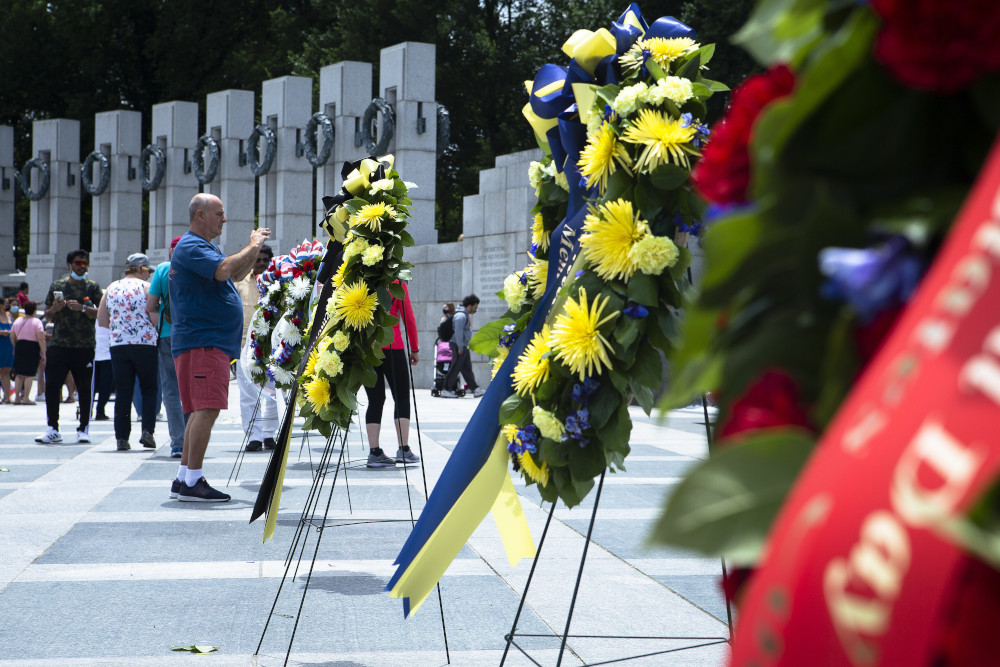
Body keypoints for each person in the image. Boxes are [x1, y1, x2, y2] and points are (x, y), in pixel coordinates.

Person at [169, 193, 270, 502]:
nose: (224, 219)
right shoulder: (192, 246)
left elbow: (236, 272)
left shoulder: (203, 247)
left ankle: (184, 477)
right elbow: (225, 270)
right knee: (207, 409)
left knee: (199, 411)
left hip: (203, 342)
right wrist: (254, 244)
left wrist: (252, 250)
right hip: (204, 342)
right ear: (201, 215)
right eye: (219, 213)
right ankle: (193, 482)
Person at [36, 249, 102, 444]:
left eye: (84, 264)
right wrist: (55, 309)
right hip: (59, 344)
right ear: (69, 265)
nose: (81, 267)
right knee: (53, 385)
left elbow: (100, 314)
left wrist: (82, 308)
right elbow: (47, 315)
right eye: (77, 263)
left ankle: (83, 429)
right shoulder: (58, 285)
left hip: (84, 345)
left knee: (84, 387)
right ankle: (52, 428)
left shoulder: (92, 287)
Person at [98, 253, 159, 451]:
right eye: (148, 271)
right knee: (149, 388)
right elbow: (154, 317)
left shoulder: (111, 287)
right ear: (140, 268)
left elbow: (102, 320)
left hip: (119, 345)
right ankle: (147, 431)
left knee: (123, 392)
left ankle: (122, 438)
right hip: (145, 344)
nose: (149, 275)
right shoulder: (147, 288)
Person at [363, 280, 420, 468]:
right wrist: (414, 348)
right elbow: (408, 317)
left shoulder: (361, 279)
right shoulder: (396, 282)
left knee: (375, 400)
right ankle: (403, 449)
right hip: (392, 345)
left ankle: (374, 452)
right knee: (402, 396)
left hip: (367, 349)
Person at [146, 236, 187, 458]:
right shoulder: (198, 267)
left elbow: (151, 305)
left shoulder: (163, 269)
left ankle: (178, 443)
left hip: (168, 336)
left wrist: (159, 323)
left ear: (171, 252)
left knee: (171, 390)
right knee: (193, 390)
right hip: (194, 337)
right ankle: (192, 440)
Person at [236, 244, 278, 452]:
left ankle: (269, 434)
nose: (262, 263)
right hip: (245, 346)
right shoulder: (239, 283)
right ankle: (253, 436)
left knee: (271, 394)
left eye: (265, 260)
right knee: (248, 394)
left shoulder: (279, 282)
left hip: (273, 348)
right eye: (258, 260)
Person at [441, 294, 485, 398]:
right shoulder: (461, 316)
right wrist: (460, 347)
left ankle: (475, 389)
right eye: (475, 307)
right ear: (470, 305)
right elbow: (458, 333)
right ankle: (446, 389)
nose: (475, 310)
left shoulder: (463, 314)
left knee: (466, 368)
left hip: (462, 345)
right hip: (458, 345)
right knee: (455, 367)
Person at [10, 302, 44, 405]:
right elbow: (41, 338)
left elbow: (12, 335)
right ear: (34, 310)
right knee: (30, 374)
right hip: (32, 347)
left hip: (20, 345)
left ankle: (17, 398)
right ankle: (26, 398)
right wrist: (44, 351)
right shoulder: (37, 322)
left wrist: (15, 345)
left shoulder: (18, 321)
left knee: (19, 373)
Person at [92, 321, 112, 420]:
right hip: (105, 355)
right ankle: (99, 410)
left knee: (94, 386)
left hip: (100, 354)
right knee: (105, 386)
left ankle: (94, 410)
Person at [0, 298, 15, 403]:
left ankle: (7, 396)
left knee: (6, 370)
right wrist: (1, 332)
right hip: (1, 344)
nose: (7, 305)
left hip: (9, 345)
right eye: (5, 304)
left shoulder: (9, 315)